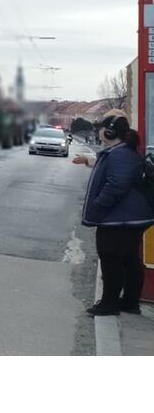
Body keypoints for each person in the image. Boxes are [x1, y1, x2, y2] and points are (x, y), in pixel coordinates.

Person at [72, 109, 154, 316]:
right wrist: (89, 161)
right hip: (129, 217)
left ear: (109, 132)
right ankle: (129, 302)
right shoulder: (122, 152)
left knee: (111, 257)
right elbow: (115, 173)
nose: (99, 132)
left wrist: (98, 206)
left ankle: (109, 304)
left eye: (101, 128)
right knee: (127, 258)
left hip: (120, 218)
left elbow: (116, 185)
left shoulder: (121, 154)